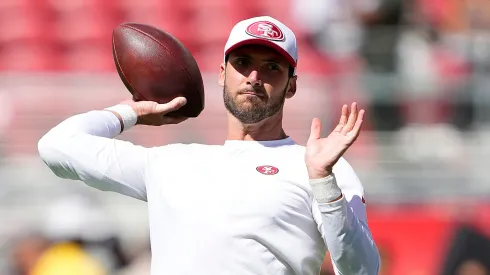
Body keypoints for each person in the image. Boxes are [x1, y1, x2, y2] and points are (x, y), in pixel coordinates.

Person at [38, 16, 380, 275]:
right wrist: (132, 113)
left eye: (272, 67)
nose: (254, 77)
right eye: (243, 63)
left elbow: (361, 270)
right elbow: (57, 147)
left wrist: (322, 181)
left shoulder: (317, 167)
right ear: (221, 73)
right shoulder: (172, 163)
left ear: (291, 86)